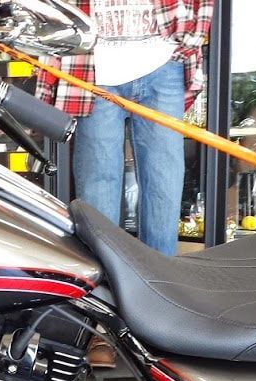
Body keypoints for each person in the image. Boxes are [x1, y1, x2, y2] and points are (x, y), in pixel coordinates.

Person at [38, 0, 213, 256]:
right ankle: (104, 278)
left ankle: (158, 277)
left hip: (162, 61)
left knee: (163, 181)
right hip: (95, 67)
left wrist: (190, 40)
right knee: (98, 180)